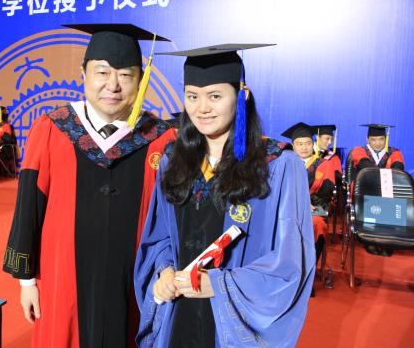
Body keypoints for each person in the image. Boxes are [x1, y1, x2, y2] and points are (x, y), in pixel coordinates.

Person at [3, 24, 176, 347]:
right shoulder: (52, 129)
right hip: (62, 281)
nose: (113, 85)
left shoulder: (161, 139)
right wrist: (27, 281)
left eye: (125, 75)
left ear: (140, 81)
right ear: (83, 74)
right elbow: (29, 207)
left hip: (134, 283)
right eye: (102, 72)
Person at [134, 45, 315, 348]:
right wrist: (163, 271)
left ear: (242, 96)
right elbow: (160, 236)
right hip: (178, 314)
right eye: (192, 96)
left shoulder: (278, 165)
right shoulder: (173, 160)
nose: (202, 108)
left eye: (215, 96)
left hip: (231, 322)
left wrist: (219, 285)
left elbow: (290, 262)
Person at [282, 122, 335, 268]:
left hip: (313, 209)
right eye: (299, 144)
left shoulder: (324, 164)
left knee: (317, 224)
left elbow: (326, 192)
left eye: (308, 143)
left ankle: (308, 268)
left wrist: (305, 204)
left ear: (313, 144)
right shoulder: (285, 163)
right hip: (287, 208)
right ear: (293, 146)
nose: (304, 147)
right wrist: (297, 202)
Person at [348, 124, 405, 256]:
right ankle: (370, 240)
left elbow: (398, 168)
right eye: (373, 140)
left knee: (393, 200)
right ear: (367, 139)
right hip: (365, 191)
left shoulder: (394, 152)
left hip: (387, 192)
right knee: (371, 202)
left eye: (381, 139)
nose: (377, 143)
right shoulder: (359, 150)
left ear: (386, 139)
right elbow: (366, 167)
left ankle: (387, 241)